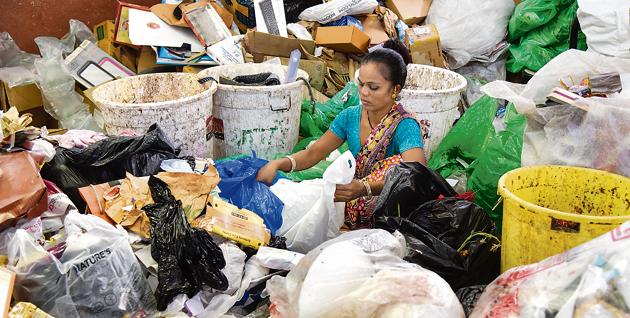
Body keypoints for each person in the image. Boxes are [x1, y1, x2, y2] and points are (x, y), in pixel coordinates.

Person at [257, 39, 427, 229]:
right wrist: (278, 164)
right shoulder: (350, 117)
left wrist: (366, 188)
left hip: (391, 206)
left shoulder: (404, 125)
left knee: (400, 166)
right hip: (354, 196)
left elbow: (416, 172)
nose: (364, 93)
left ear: (395, 90)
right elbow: (314, 153)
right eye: (361, 84)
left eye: (373, 87)